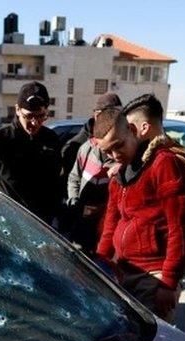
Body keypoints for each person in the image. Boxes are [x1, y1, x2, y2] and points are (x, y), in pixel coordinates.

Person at [93, 94, 185, 322]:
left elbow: (180, 227)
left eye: (118, 146)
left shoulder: (164, 163)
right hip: (123, 271)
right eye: (108, 152)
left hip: (154, 276)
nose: (114, 155)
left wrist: (168, 282)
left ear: (132, 130)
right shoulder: (121, 171)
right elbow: (112, 223)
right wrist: (101, 262)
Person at [0, 81, 62, 224]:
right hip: (8, 225)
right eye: (29, 116)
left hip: (43, 226)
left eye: (40, 116)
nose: (34, 122)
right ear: (17, 110)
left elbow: (56, 182)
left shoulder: (51, 139)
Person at [62, 92, 122, 253]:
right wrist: (74, 201)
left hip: (108, 229)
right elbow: (74, 177)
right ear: (95, 115)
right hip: (81, 225)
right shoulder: (85, 148)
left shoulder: (125, 155)